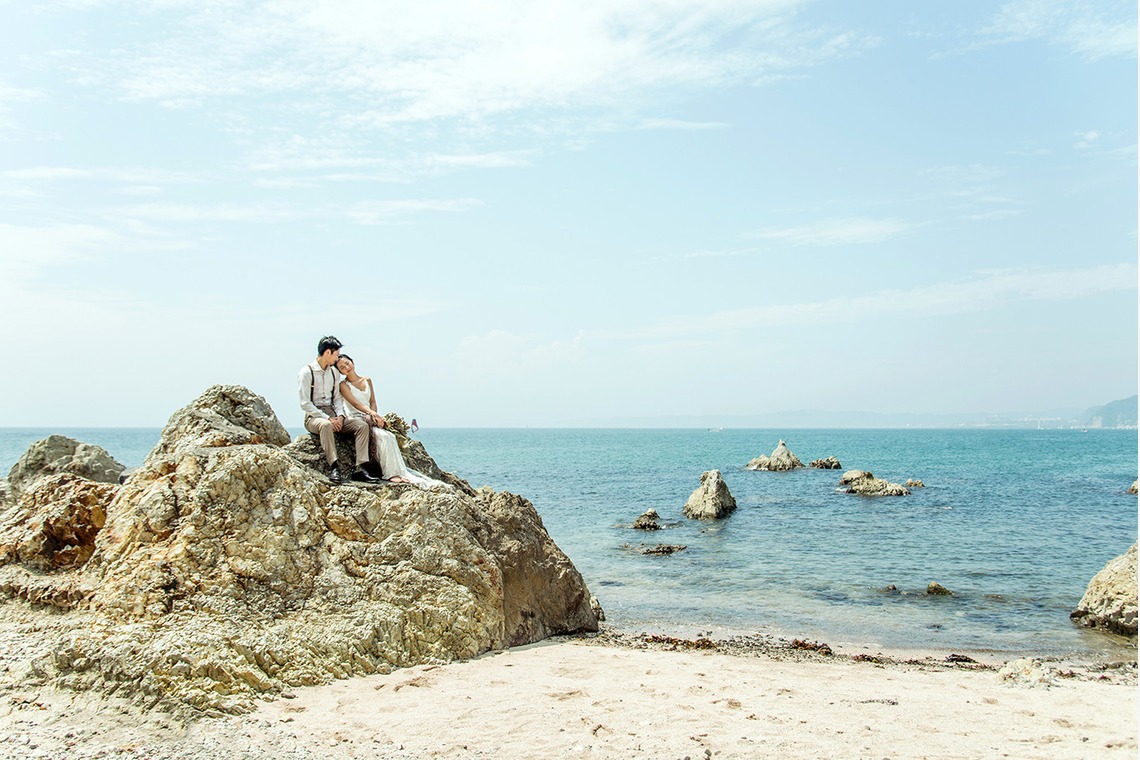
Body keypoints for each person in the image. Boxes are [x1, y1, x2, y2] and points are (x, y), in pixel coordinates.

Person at [336, 354, 440, 487]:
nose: (346, 367)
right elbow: (355, 404)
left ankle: (399, 472)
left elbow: (372, 401)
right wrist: (372, 414)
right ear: (340, 372)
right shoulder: (343, 385)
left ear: (352, 362)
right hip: (357, 417)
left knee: (390, 436)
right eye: (342, 367)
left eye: (347, 363)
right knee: (384, 437)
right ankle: (391, 474)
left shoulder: (367, 380)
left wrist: (374, 416)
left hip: (371, 417)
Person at [298, 336, 379, 484]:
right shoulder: (306, 372)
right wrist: (327, 418)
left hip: (334, 413)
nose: (337, 359)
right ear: (328, 352)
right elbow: (305, 403)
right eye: (336, 355)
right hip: (314, 416)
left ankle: (360, 468)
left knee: (361, 426)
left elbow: (337, 399)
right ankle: (334, 467)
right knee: (326, 425)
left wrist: (340, 417)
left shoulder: (334, 373)